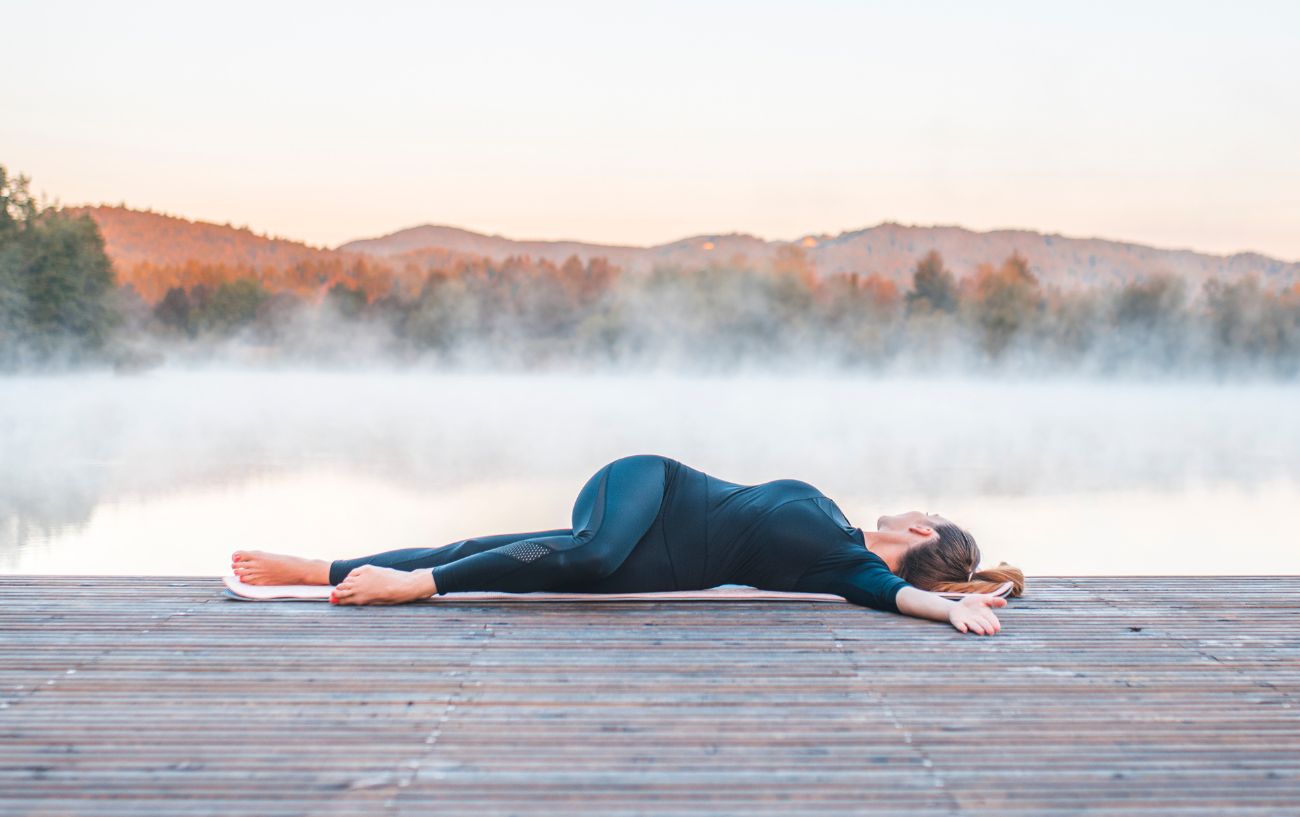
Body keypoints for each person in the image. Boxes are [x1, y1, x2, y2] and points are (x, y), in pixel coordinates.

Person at [232, 453, 1024, 636]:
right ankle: (418, 585)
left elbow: (899, 595)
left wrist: (952, 609)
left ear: (921, 531)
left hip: (656, 556)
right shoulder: (833, 516)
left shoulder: (847, 567)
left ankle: (320, 568)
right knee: (591, 556)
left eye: (929, 509)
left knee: (513, 550)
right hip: (650, 485)